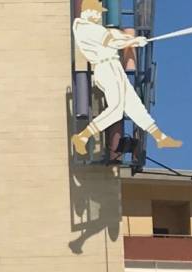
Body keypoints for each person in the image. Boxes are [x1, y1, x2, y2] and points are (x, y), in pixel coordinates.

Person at [71, 0, 181, 156]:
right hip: (106, 67)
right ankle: (82, 137)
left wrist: (130, 40)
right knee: (116, 110)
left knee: (134, 105)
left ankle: (160, 137)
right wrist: (133, 41)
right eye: (96, 12)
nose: (98, 15)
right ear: (87, 11)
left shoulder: (92, 27)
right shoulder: (84, 27)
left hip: (114, 66)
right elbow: (112, 40)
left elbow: (114, 36)